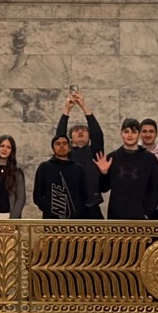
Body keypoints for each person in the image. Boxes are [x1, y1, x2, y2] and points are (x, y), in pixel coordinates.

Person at [94, 118, 158, 219]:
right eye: (126, 132)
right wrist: (104, 173)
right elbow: (103, 188)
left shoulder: (150, 159)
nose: (130, 135)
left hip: (141, 217)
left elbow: (157, 188)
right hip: (116, 216)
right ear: (121, 134)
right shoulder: (112, 157)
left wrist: (146, 213)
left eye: (133, 132)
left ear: (139, 134)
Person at [55, 90, 104, 218]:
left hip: (91, 206)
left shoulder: (94, 152)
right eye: (76, 131)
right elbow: (59, 136)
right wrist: (66, 110)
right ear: (70, 138)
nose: (80, 132)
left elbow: (98, 134)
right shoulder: (66, 153)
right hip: (70, 206)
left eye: (84, 130)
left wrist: (83, 106)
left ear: (89, 136)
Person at [33, 135, 87, 218]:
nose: (61, 146)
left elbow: (84, 194)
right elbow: (38, 194)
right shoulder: (44, 167)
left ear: (69, 147)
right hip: (50, 220)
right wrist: (48, 209)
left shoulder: (78, 168)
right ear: (53, 148)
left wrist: (78, 211)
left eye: (65, 143)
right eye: (58, 144)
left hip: (74, 220)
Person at [0, 135, 25, 218]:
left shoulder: (17, 173)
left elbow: (20, 198)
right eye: (2, 146)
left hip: (11, 217)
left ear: (12, 151)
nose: (5, 149)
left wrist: (13, 218)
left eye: (8, 147)